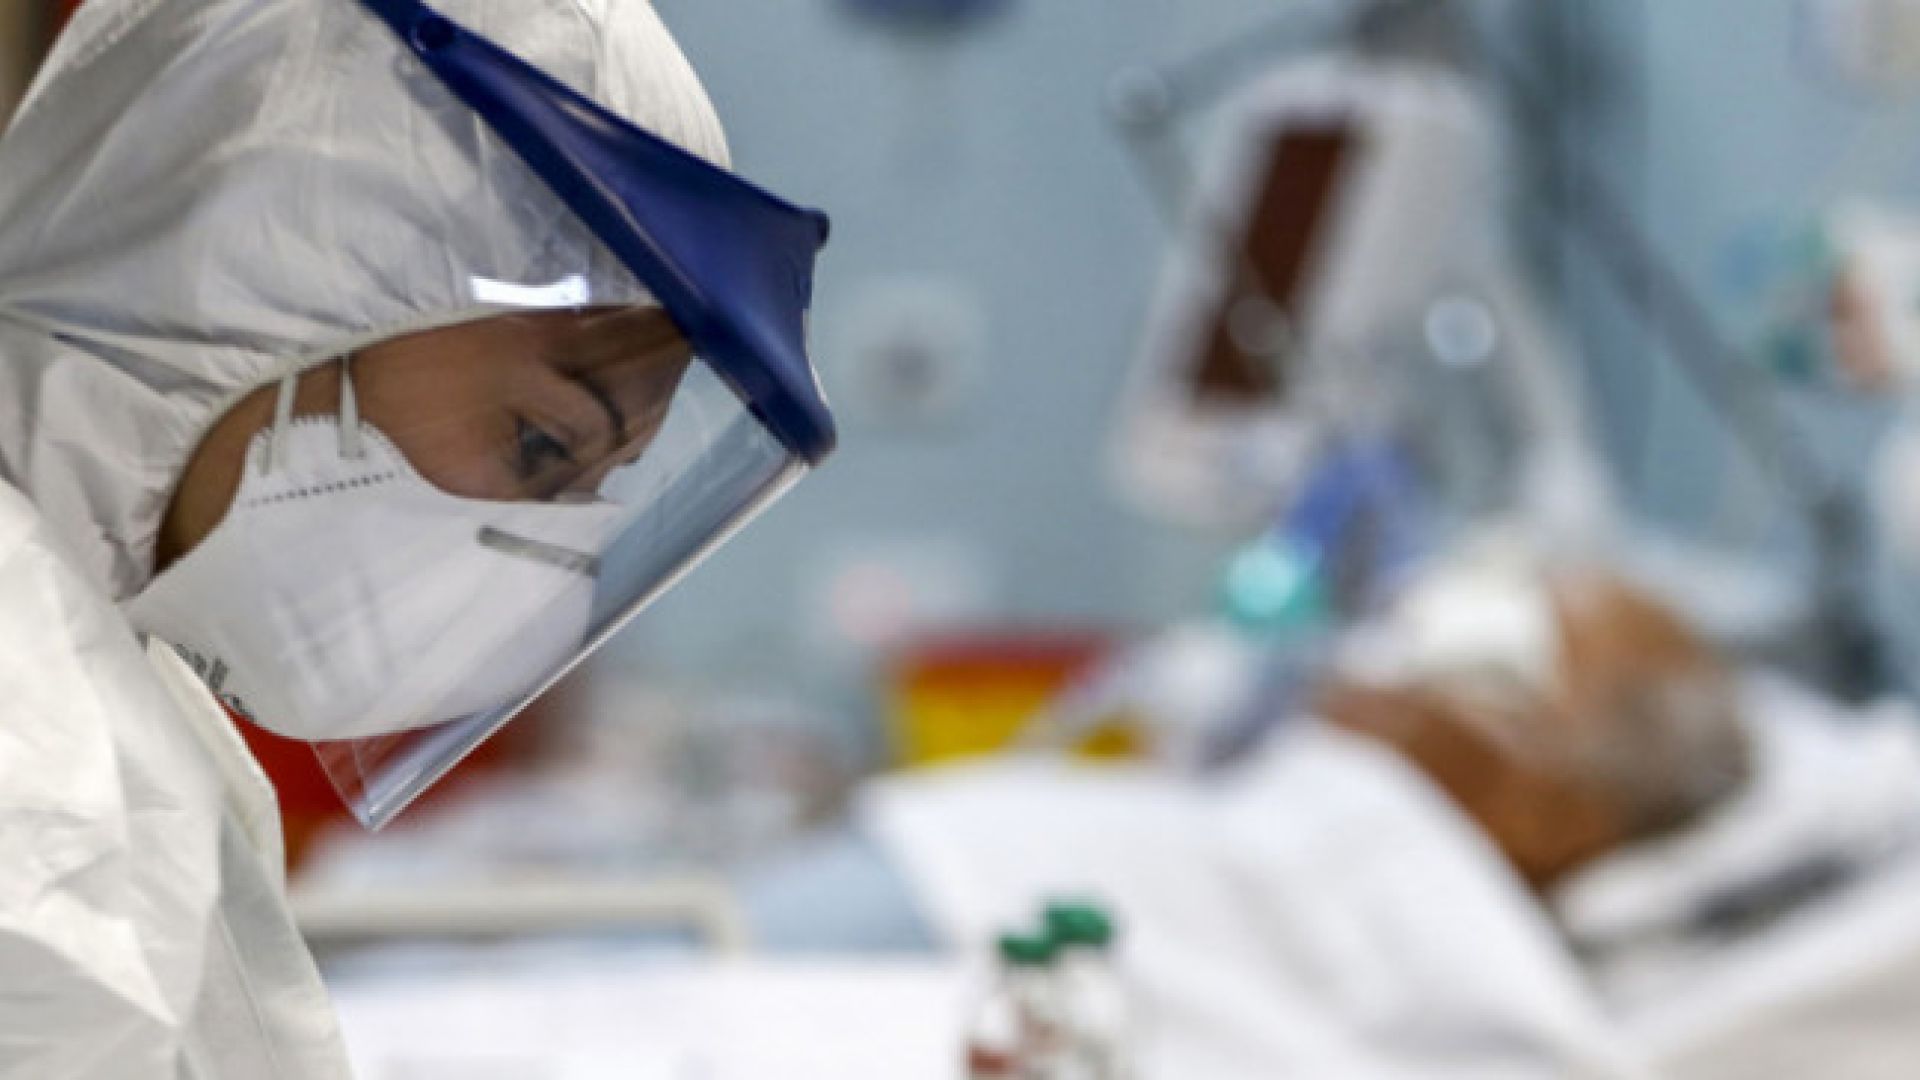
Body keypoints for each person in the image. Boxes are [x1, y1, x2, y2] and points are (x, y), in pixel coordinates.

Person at [0, 0, 836, 1075]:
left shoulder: (104, 669)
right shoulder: (35, 761)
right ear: (271, 274)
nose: (546, 571)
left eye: (591, 488)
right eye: (540, 445)